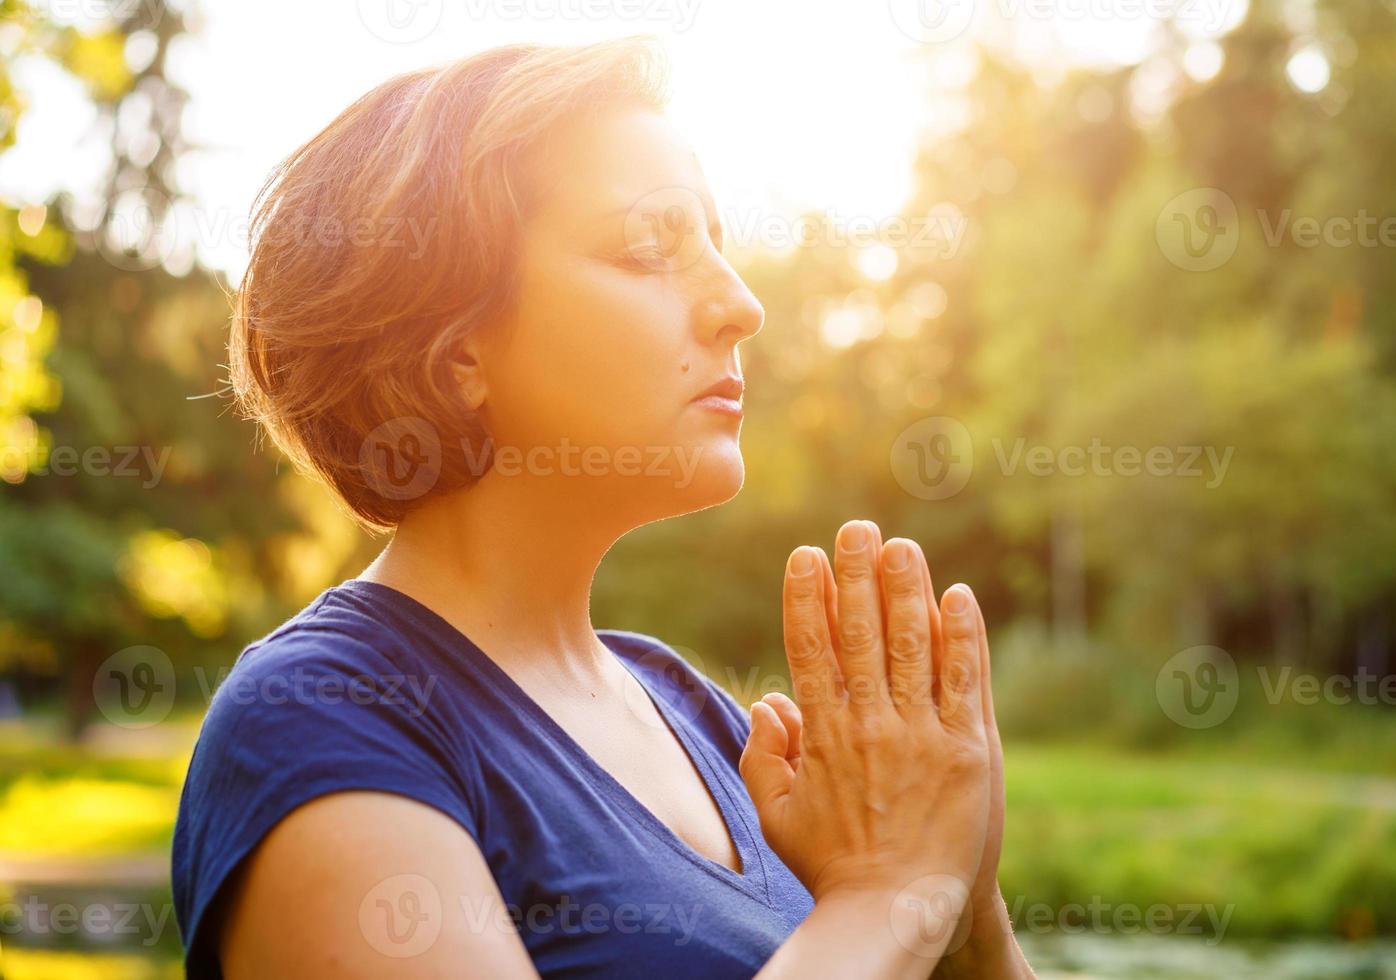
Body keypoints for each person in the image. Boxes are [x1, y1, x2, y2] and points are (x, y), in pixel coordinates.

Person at [171, 35, 1034, 979]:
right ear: (453, 350)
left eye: (717, 243)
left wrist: (960, 909)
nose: (739, 304)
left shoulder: (700, 717)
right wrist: (882, 899)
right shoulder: (320, 717)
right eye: (647, 249)